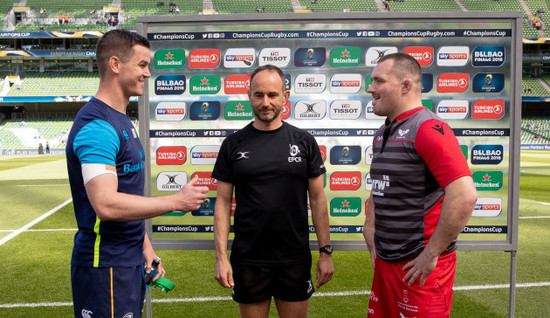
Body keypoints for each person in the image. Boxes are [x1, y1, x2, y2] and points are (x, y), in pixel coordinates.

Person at [66, 29, 209, 318]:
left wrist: (144, 249)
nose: (147, 73)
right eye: (142, 65)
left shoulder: (121, 120)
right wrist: (176, 202)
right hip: (104, 263)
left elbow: (127, 195)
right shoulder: (97, 126)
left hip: (126, 261)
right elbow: (106, 204)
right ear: (115, 65)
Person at [213, 65, 334, 318]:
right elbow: (223, 203)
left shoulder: (304, 142)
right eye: (258, 95)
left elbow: (318, 199)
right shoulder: (233, 144)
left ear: (285, 97)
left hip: (294, 258)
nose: (265, 102)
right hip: (248, 259)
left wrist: (326, 252)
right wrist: (221, 258)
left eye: (272, 95)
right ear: (249, 96)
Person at [363, 52, 478, 317]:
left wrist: (431, 253)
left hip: (419, 267)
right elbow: (381, 181)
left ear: (406, 86)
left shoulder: (428, 128)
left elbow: (464, 195)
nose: (370, 88)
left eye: (379, 81)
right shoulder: (383, 131)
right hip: (387, 261)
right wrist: (370, 225)